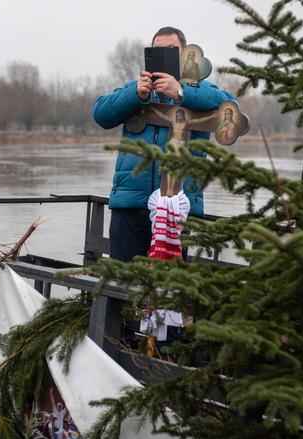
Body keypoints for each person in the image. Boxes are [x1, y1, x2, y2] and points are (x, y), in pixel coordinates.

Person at [93, 26, 237, 262]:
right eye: (157, 50)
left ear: (184, 54)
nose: (165, 56)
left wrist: (180, 92)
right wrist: (135, 95)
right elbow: (100, 114)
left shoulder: (201, 91)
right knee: (121, 284)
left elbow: (231, 106)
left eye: (172, 50)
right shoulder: (138, 89)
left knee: (169, 288)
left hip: (177, 207)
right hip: (130, 203)